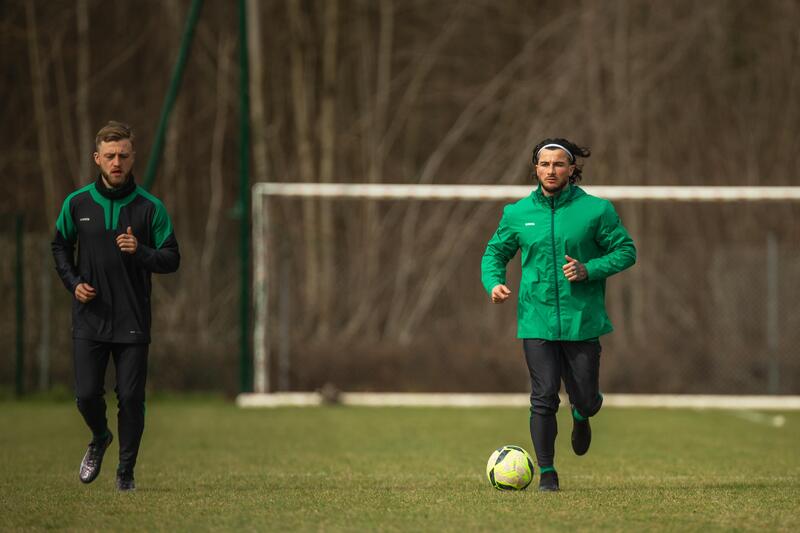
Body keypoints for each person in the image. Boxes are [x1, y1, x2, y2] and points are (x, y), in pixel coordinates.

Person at [480, 138, 636, 492]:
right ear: (535, 168)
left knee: (585, 399)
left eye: (559, 164)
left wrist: (589, 269)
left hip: (583, 319)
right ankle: (548, 473)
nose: (551, 171)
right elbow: (494, 253)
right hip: (536, 319)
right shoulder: (517, 213)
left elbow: (627, 251)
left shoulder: (597, 211)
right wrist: (494, 283)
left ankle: (581, 414)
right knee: (544, 395)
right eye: (545, 164)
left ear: (572, 170)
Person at [52, 121, 180, 492]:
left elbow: (172, 258)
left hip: (132, 320)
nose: (117, 162)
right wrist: (73, 283)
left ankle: (125, 473)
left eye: (123, 155)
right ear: (97, 158)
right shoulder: (76, 204)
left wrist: (139, 251)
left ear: (132, 157)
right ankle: (99, 437)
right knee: (87, 395)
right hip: (90, 318)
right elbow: (59, 246)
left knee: (131, 398)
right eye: (110, 155)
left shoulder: (149, 208)